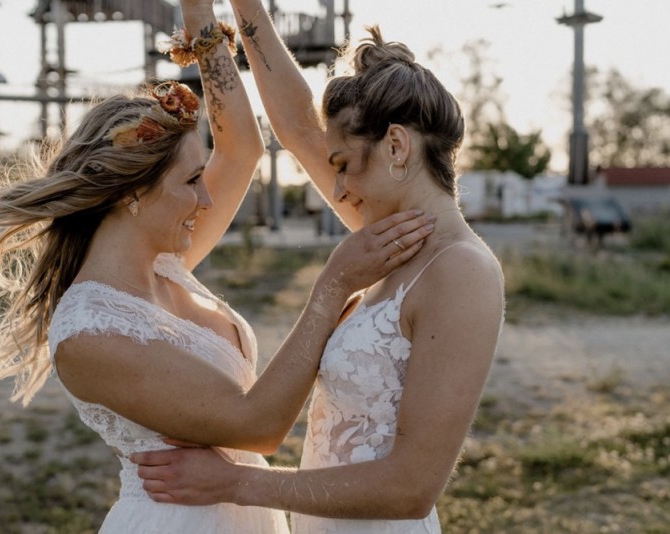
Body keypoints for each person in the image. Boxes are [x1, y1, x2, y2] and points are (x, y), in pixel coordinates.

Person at [0, 0, 433, 531]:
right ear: (132, 195)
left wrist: (200, 20)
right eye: (191, 182)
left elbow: (240, 147)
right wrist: (333, 285)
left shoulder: (162, 263)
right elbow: (257, 426)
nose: (207, 199)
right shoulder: (89, 331)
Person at [130, 3, 506, 533]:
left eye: (345, 166)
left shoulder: (460, 270)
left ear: (396, 145)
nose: (337, 190)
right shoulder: (390, 242)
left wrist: (237, 483)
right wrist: (238, 8)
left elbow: (412, 486)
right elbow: (299, 127)